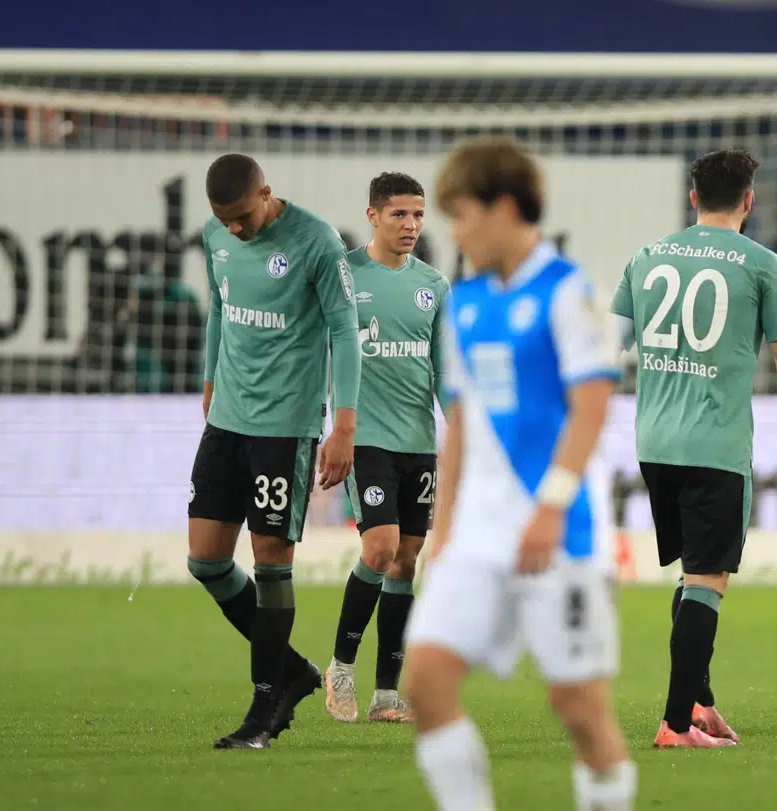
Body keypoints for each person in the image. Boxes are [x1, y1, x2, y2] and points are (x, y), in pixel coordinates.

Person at [401, 138, 636, 810]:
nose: (454, 230)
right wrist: (441, 534)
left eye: (462, 213)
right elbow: (461, 431)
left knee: (580, 707)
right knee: (426, 681)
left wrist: (552, 506)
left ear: (505, 207)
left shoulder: (568, 292)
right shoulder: (462, 304)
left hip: (561, 536)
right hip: (478, 535)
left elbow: (591, 409)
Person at [611, 147, 777, 749]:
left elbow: (605, 345)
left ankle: (700, 705)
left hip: (654, 442)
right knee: (707, 579)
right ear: (749, 202)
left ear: (693, 196)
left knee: (691, 576)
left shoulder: (648, 257)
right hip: (715, 445)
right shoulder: (760, 264)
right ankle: (676, 726)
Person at [186, 153, 360, 749]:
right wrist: (210, 378)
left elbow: (344, 330)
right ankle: (292, 671)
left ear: (266, 192)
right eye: (223, 220)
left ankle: (265, 708)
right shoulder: (216, 234)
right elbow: (218, 306)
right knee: (205, 560)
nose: (233, 229)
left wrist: (343, 426)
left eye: (241, 216)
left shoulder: (316, 242)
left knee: (270, 563)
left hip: (285, 427)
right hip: (228, 421)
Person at [325, 172, 451, 725]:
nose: (411, 225)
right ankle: (341, 667)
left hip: (417, 442)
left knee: (405, 560)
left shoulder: (434, 287)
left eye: (419, 215)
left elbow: (445, 373)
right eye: (400, 214)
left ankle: (385, 694)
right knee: (379, 548)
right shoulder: (345, 277)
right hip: (367, 437)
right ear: (373, 215)